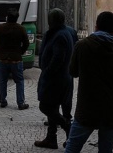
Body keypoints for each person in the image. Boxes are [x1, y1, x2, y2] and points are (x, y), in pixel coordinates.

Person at [64, 11, 113, 153]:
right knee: (106, 149)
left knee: (73, 147)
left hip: (86, 108)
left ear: (96, 25)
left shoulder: (82, 46)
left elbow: (72, 72)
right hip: (109, 110)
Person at [35, 8, 75, 149]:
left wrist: (47, 73)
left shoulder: (60, 35)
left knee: (45, 106)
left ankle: (67, 127)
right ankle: (51, 138)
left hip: (56, 79)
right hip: (60, 77)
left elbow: (58, 58)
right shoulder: (62, 32)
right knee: (52, 107)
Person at [0, 8, 30, 110]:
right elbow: (26, 43)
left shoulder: (0, 28)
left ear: (7, 17)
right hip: (16, 59)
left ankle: (2, 101)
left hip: (3, 59)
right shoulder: (21, 28)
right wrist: (20, 52)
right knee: (19, 81)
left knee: (2, 81)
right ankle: (20, 103)